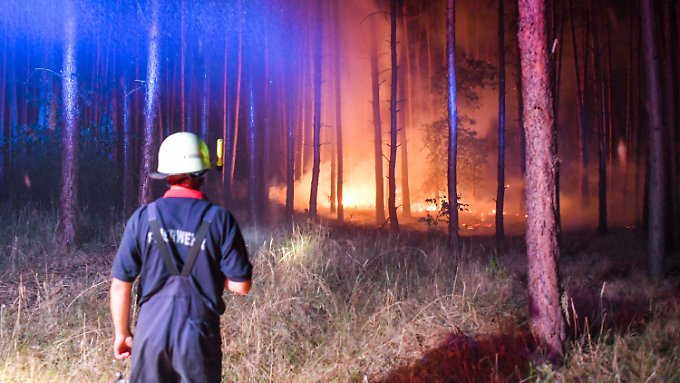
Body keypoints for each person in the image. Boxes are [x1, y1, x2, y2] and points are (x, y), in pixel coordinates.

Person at [110, 132, 252, 383]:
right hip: (198, 337)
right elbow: (241, 286)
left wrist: (122, 334)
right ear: (202, 172)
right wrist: (210, 271)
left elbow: (121, 283)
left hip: (150, 335)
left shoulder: (144, 217)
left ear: (165, 174)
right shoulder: (220, 219)